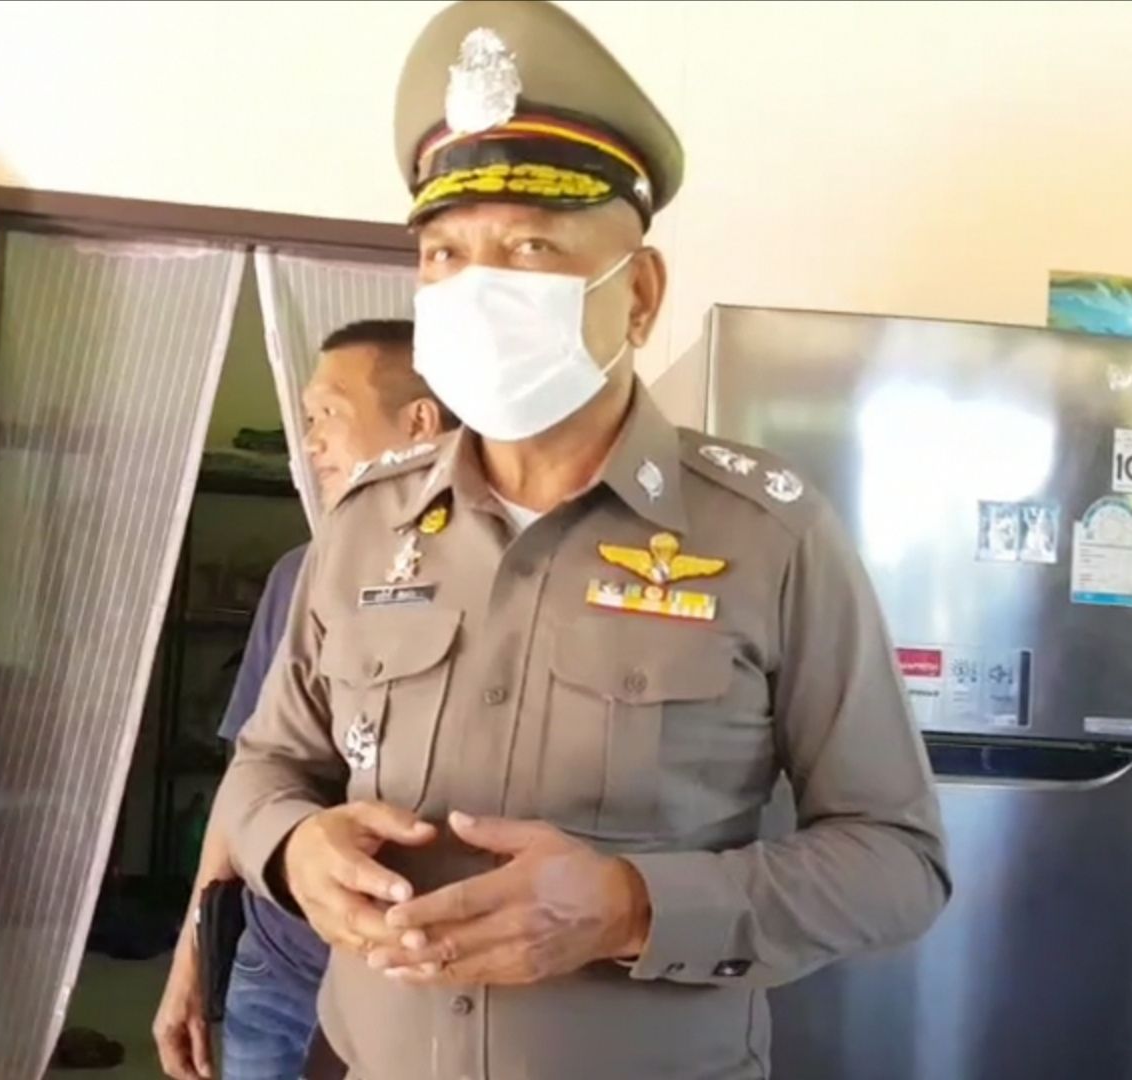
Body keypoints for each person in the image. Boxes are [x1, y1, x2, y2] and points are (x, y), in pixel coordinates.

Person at [214, 2, 951, 1077]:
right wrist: (291, 845)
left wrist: (631, 906)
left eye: (530, 246)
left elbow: (897, 862)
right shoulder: (366, 525)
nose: (477, 287)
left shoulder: (769, 536)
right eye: (443, 253)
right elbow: (268, 763)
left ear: (638, 294)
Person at [154, 318, 455, 1080]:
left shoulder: (511, 577)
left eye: (329, 415)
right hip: (281, 970)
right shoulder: (304, 572)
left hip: (427, 982)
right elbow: (254, 774)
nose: (310, 443)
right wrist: (190, 963)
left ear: (420, 422)